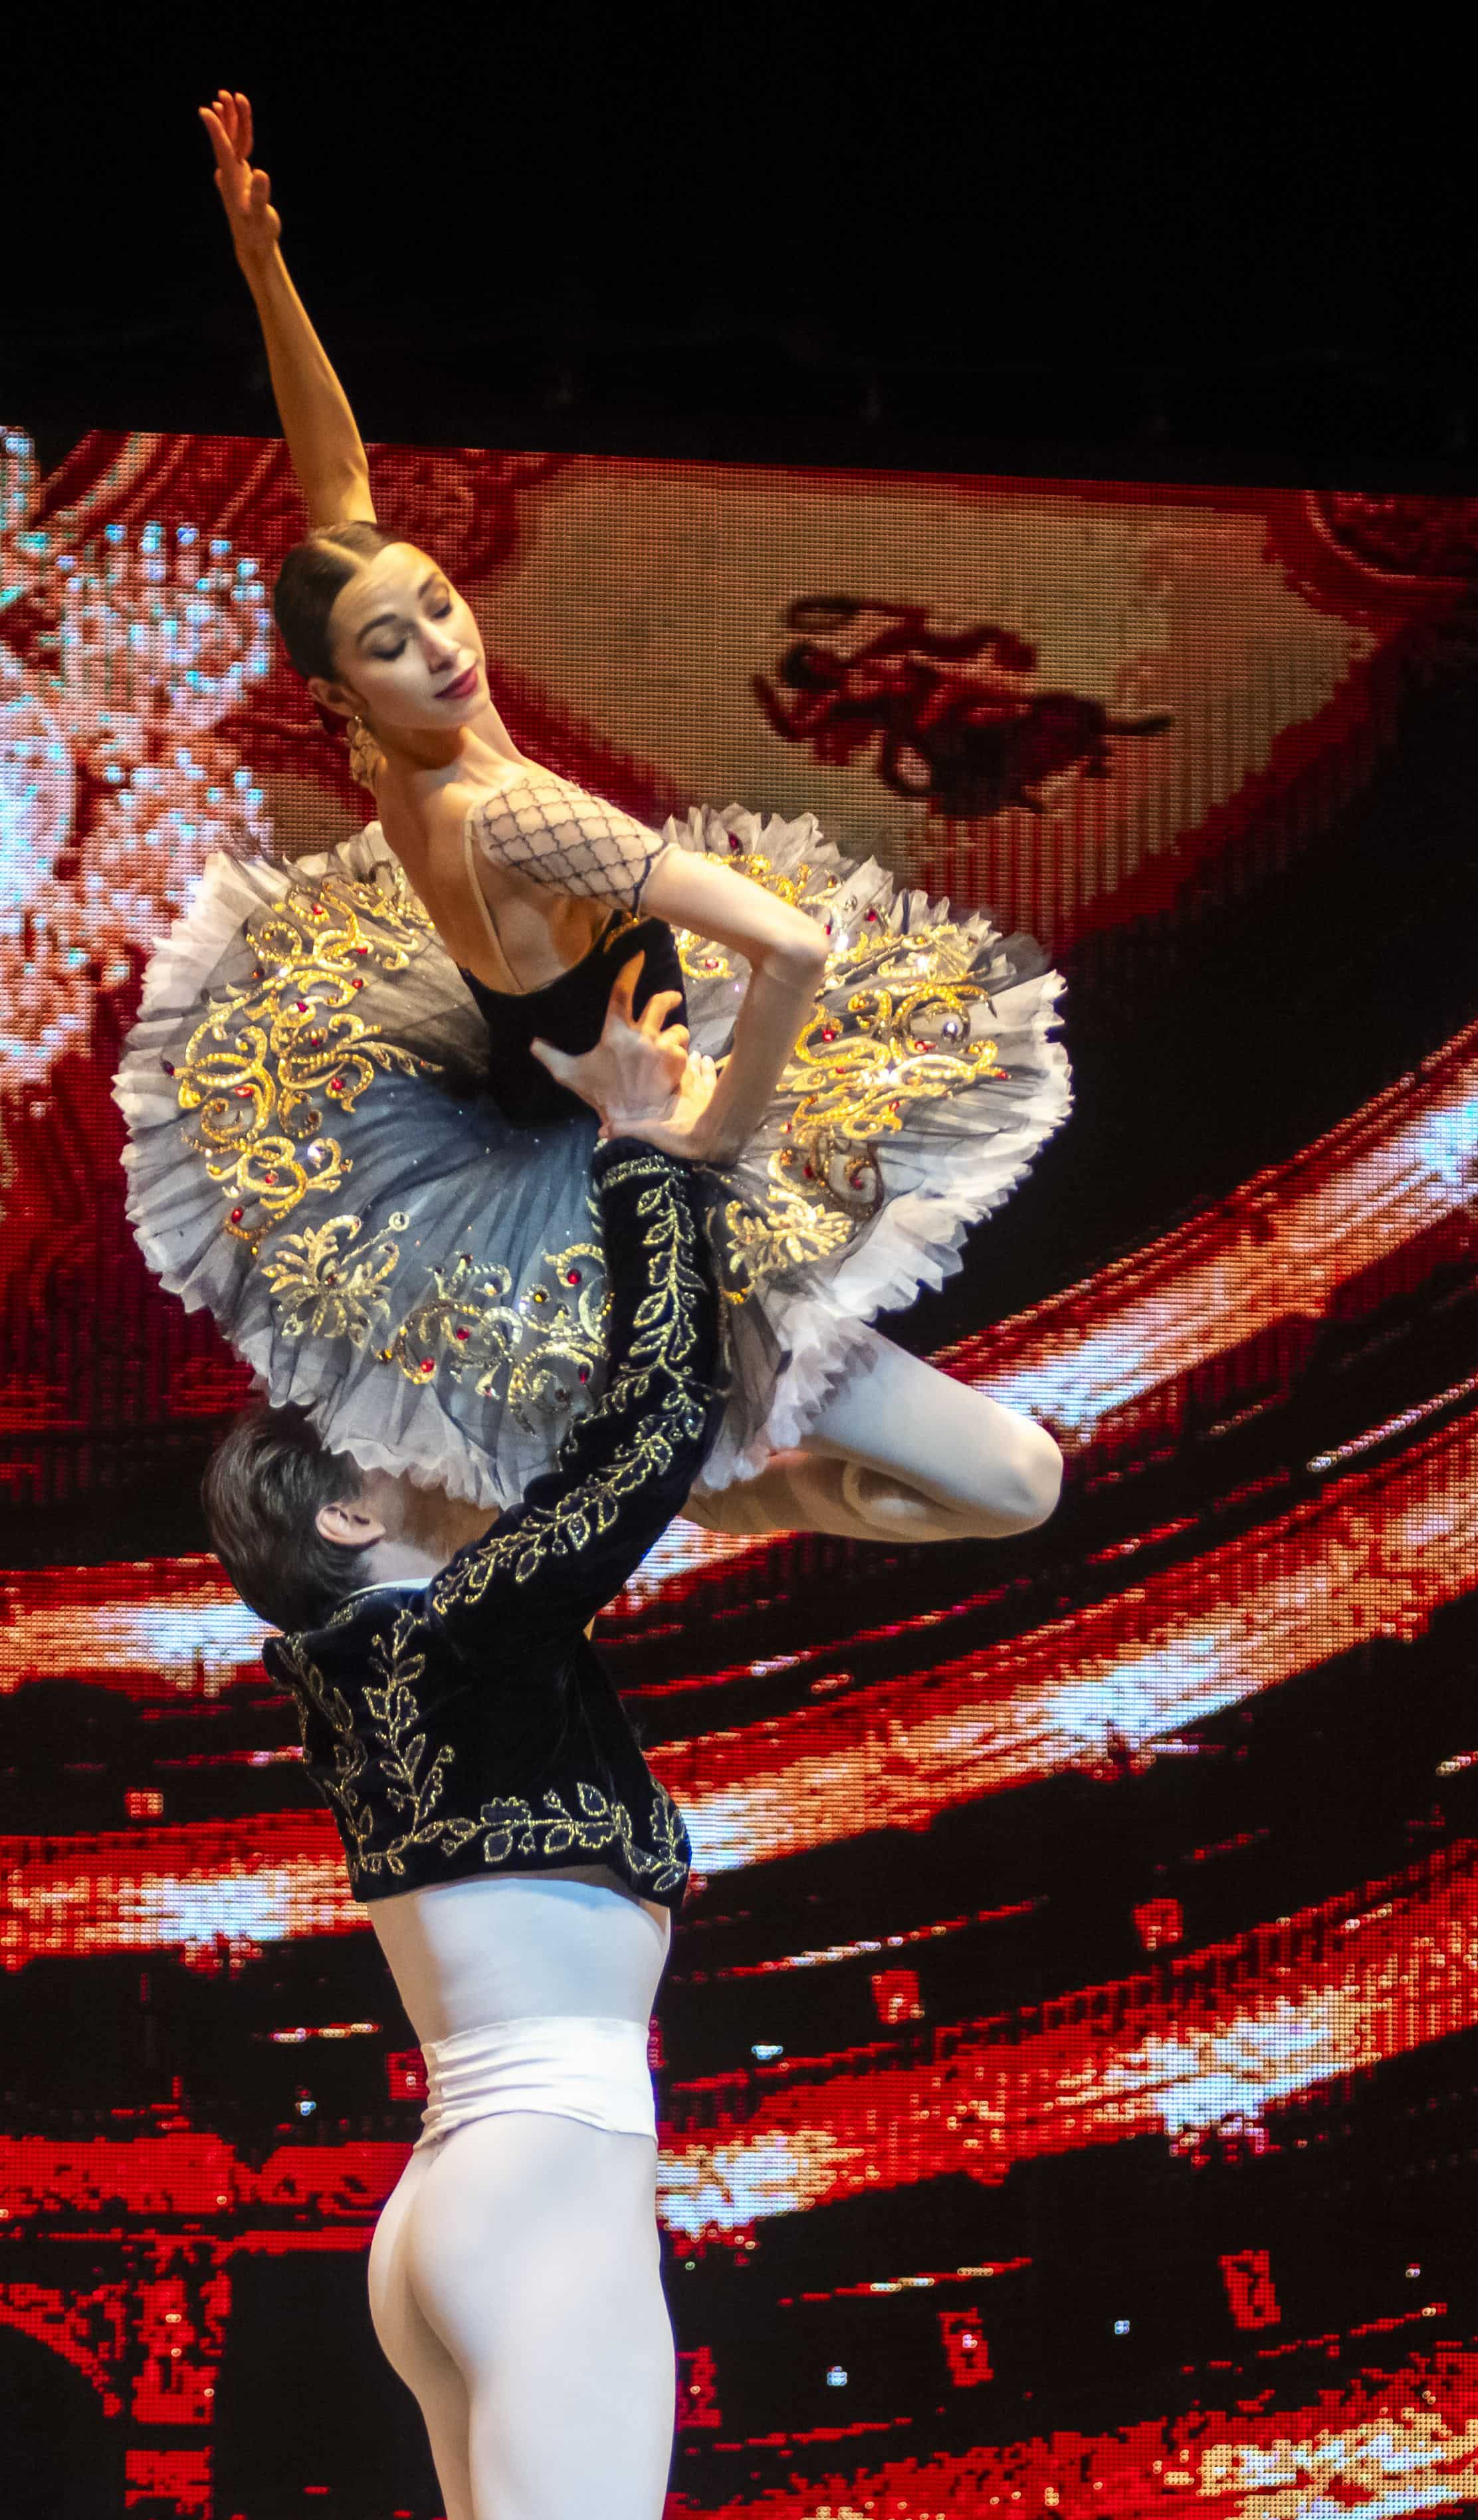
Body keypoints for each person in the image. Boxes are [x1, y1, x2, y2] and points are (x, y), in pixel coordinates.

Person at [120, 90, 1073, 1554]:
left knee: (977, 1479)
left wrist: (264, 266)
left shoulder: (393, 752)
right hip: (610, 1163)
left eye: (436, 600)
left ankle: (737, 1488)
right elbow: (798, 947)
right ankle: (734, 1488)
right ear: (340, 691)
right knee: (1017, 1484)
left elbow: (338, 482)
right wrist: (720, 1138)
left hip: (531, 1094)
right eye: (394, 642)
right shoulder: (517, 811)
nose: (441, 643)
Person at [202, 972, 746, 2520]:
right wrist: (645, 1157)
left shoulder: (400, 1669)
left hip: (464, 2204)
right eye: (372, 1429)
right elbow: (630, 1449)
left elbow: (598, 1468)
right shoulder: (455, 1629)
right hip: (538, 2198)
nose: (417, 1437)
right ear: (336, 1511)